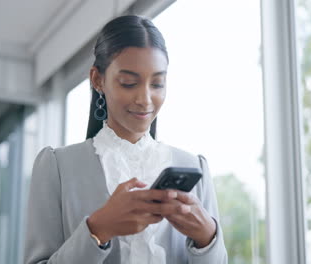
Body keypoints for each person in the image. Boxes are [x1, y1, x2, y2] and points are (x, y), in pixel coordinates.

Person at [24, 15, 228, 264]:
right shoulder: (57, 167)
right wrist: (98, 229)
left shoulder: (195, 168)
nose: (145, 99)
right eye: (129, 83)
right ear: (98, 79)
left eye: (157, 83)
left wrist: (207, 238)